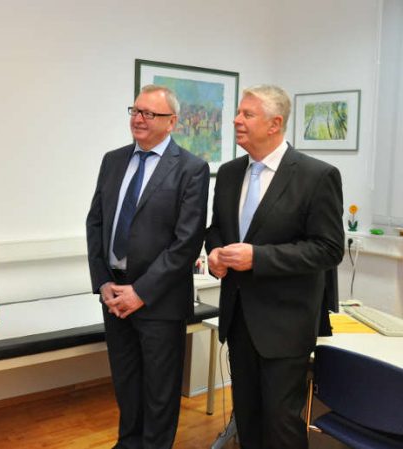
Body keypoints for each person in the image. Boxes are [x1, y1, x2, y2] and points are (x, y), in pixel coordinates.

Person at [205, 84, 344, 449]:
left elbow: (329, 249)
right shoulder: (230, 172)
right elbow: (217, 228)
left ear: (274, 123)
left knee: (281, 425)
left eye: (247, 114)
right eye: (238, 112)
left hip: (285, 325)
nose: (236, 120)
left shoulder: (316, 176)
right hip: (238, 321)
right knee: (247, 419)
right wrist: (216, 253)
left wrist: (259, 258)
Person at [86, 85, 210, 448]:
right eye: (135, 111)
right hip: (114, 294)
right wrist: (103, 282)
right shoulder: (113, 160)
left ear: (171, 122)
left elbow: (186, 242)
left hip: (159, 299)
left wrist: (140, 292)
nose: (138, 119)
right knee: (126, 384)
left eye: (149, 114)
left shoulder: (190, 169)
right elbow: (95, 223)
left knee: (159, 392)